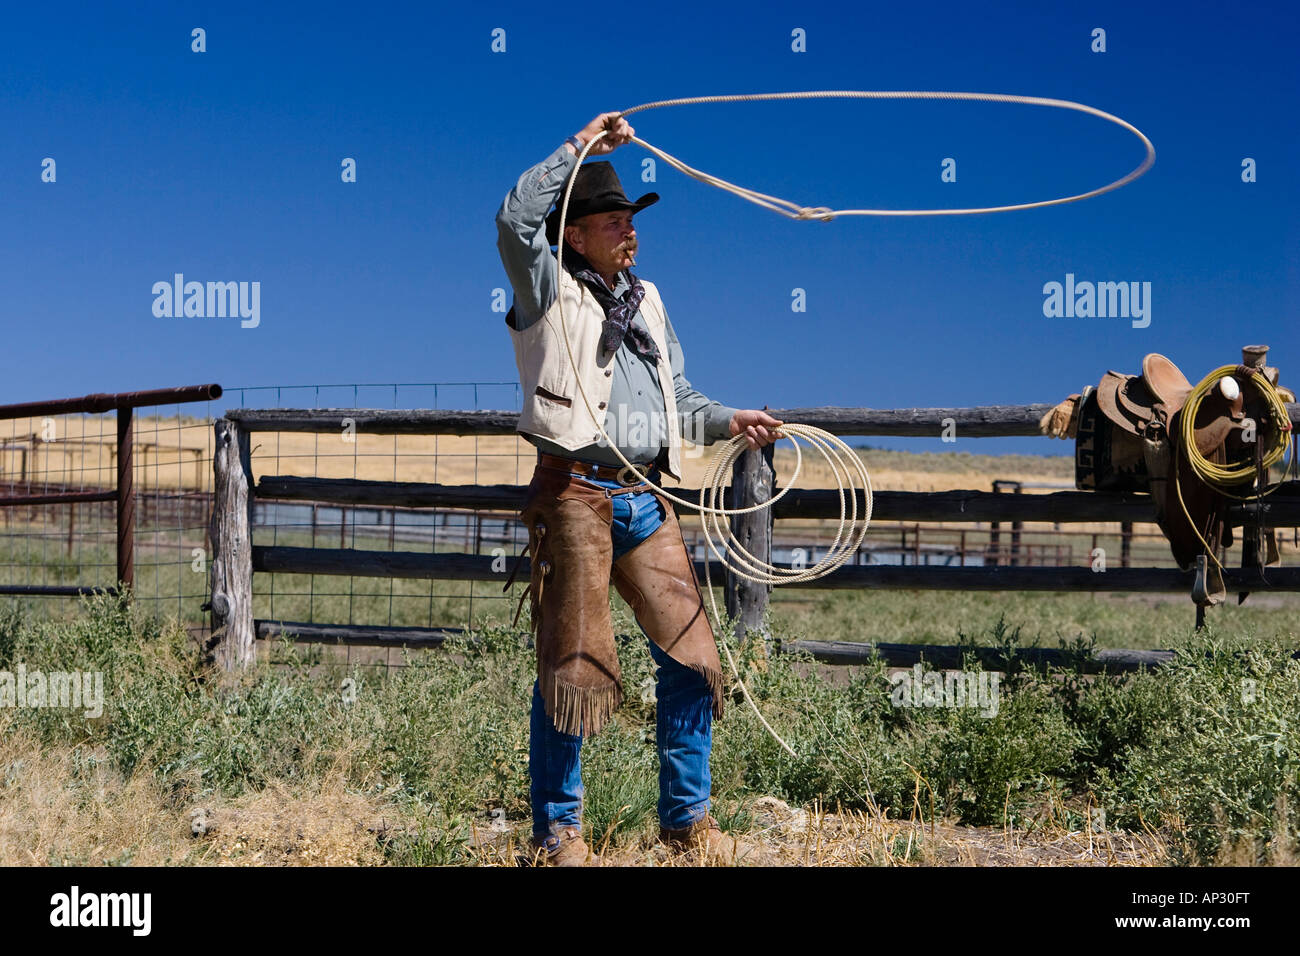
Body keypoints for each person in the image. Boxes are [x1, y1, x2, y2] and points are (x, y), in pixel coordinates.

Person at [494, 112, 783, 866]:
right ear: (575, 235)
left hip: (644, 495)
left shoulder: (647, 302)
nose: (630, 231)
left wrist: (731, 420)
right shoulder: (545, 286)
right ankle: (559, 837)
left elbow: (678, 399)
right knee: (574, 666)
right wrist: (578, 144)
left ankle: (688, 823)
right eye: (613, 220)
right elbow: (514, 218)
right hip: (574, 494)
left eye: (631, 219)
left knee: (692, 658)